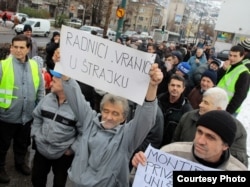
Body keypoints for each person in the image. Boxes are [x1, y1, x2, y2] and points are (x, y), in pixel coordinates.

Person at [55, 55, 163, 186]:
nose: (109, 117)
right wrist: (64, 69)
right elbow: (75, 97)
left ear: (123, 118)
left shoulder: (127, 136)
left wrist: (152, 87)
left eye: (115, 113)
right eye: (106, 111)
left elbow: (145, 119)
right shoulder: (89, 120)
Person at [131, 110, 248, 172]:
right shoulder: (170, 153)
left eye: (210, 137)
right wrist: (140, 167)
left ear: (225, 146)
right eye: (199, 132)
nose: (200, 141)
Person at [0, 34, 44, 183]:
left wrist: (40, 109)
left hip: (27, 116)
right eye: (15, 47)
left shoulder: (34, 66)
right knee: (2, 145)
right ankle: (0, 168)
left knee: (22, 143)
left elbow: (40, 89)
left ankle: (20, 163)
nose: (18, 50)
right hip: (6, 116)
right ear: (11, 48)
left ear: (28, 49)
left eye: (21, 48)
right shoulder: (3, 66)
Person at [31, 69, 82, 187]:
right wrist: (36, 135)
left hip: (62, 155)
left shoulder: (78, 107)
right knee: (36, 180)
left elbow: (84, 132)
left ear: (65, 86)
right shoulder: (47, 98)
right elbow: (37, 117)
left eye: (54, 82)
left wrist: (72, 149)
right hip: (41, 149)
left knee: (59, 183)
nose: (50, 84)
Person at [173, 87, 248, 167]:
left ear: (218, 109)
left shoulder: (238, 131)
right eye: (202, 101)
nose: (200, 105)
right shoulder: (188, 117)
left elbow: (237, 163)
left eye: (206, 103)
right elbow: (174, 142)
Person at [158, 74, 193, 146]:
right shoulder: (159, 99)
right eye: (172, 85)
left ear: (183, 89)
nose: (175, 88)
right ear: (168, 86)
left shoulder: (186, 109)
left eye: (178, 86)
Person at [217, 45, 250, 115]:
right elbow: (217, 81)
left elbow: (240, 96)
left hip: (228, 110)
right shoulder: (228, 66)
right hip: (218, 105)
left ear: (242, 57)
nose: (231, 58)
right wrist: (222, 70)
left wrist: (227, 112)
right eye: (230, 55)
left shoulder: (244, 73)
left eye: (235, 56)